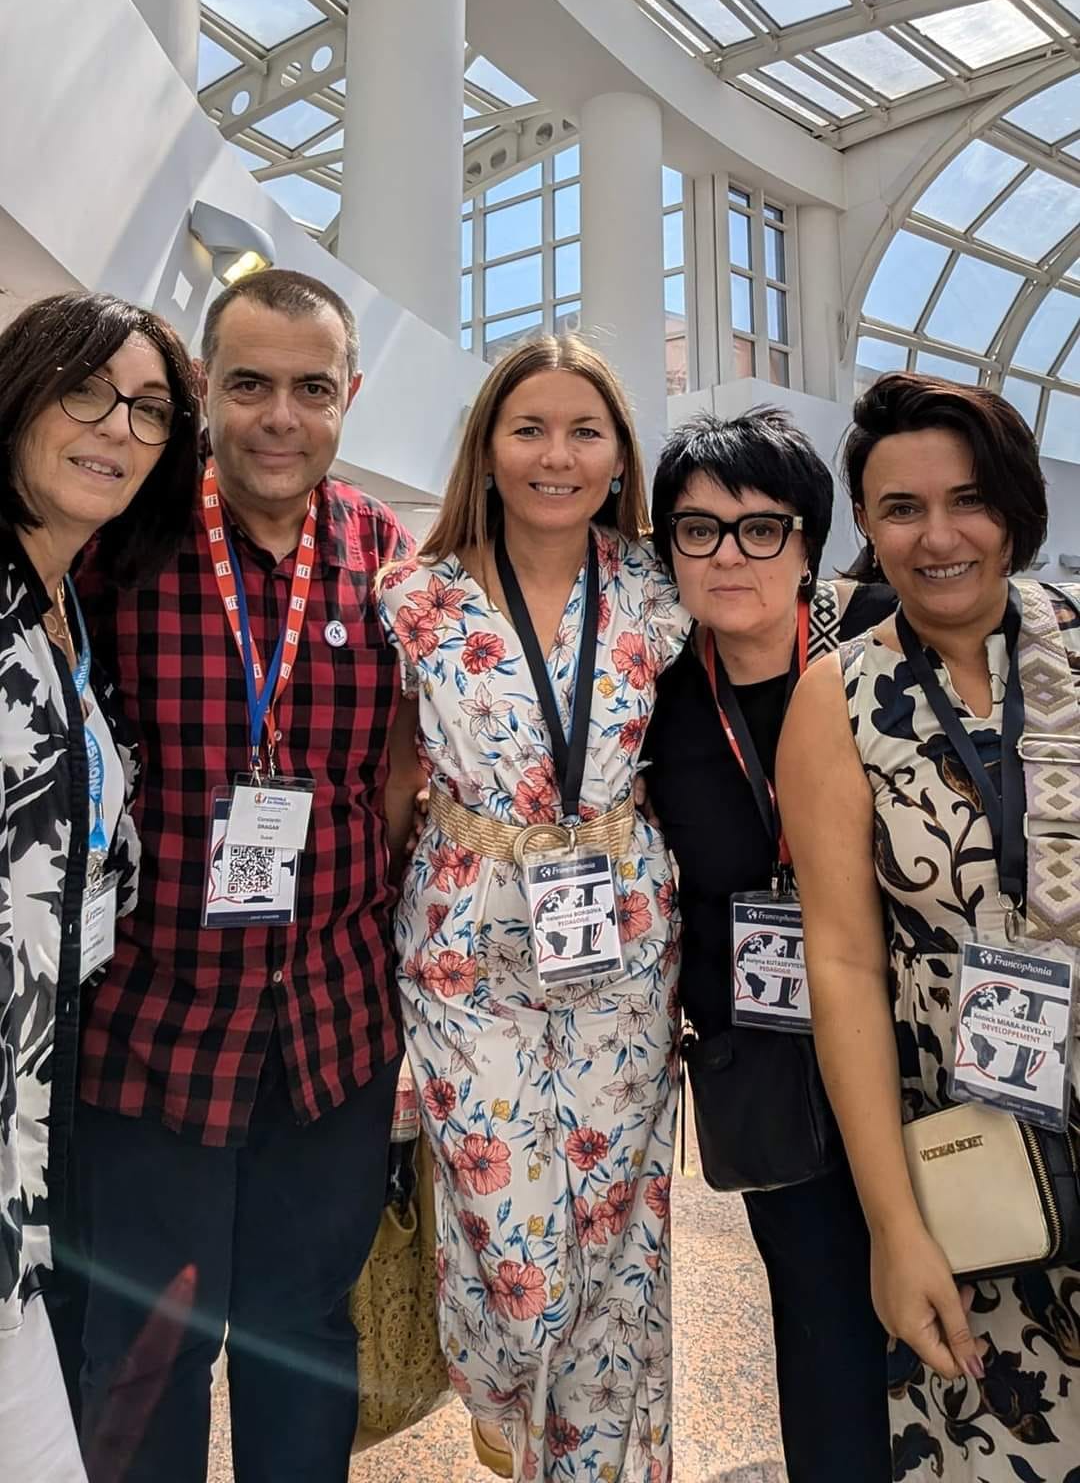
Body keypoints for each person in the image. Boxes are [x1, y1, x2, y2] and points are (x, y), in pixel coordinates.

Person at [72, 269, 421, 1483]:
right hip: (153, 1029)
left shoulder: (386, 557)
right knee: (144, 1353)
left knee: (303, 1336)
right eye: (250, 385)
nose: (281, 417)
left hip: (332, 1036)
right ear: (204, 391)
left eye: (311, 389)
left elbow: (401, 774)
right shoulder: (125, 543)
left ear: (349, 397)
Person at [377, 332, 690, 1483]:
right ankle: (506, 1398)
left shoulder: (658, 588)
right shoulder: (416, 598)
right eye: (530, 429)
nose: (557, 456)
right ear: (489, 447)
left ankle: (596, 1466)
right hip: (465, 941)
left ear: (619, 456)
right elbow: (391, 781)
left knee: (617, 1234)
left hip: (621, 934)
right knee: (511, 1245)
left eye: (584, 432)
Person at [777, 371, 1080, 1480]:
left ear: (1016, 509)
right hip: (975, 1157)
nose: (939, 538)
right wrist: (895, 1228)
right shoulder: (838, 698)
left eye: (970, 501)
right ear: (867, 523)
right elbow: (845, 964)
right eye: (902, 509)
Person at [643, 410, 893, 1482]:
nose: (729, 556)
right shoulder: (653, 695)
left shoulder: (882, 641)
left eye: (761, 528)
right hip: (767, 1055)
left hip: (912, 1038)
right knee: (820, 1315)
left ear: (809, 541)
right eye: (698, 531)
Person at [0, 290, 199, 1482]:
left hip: (44, 1099)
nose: (117, 427)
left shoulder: (67, 600)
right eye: (86, 391)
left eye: (149, 409)